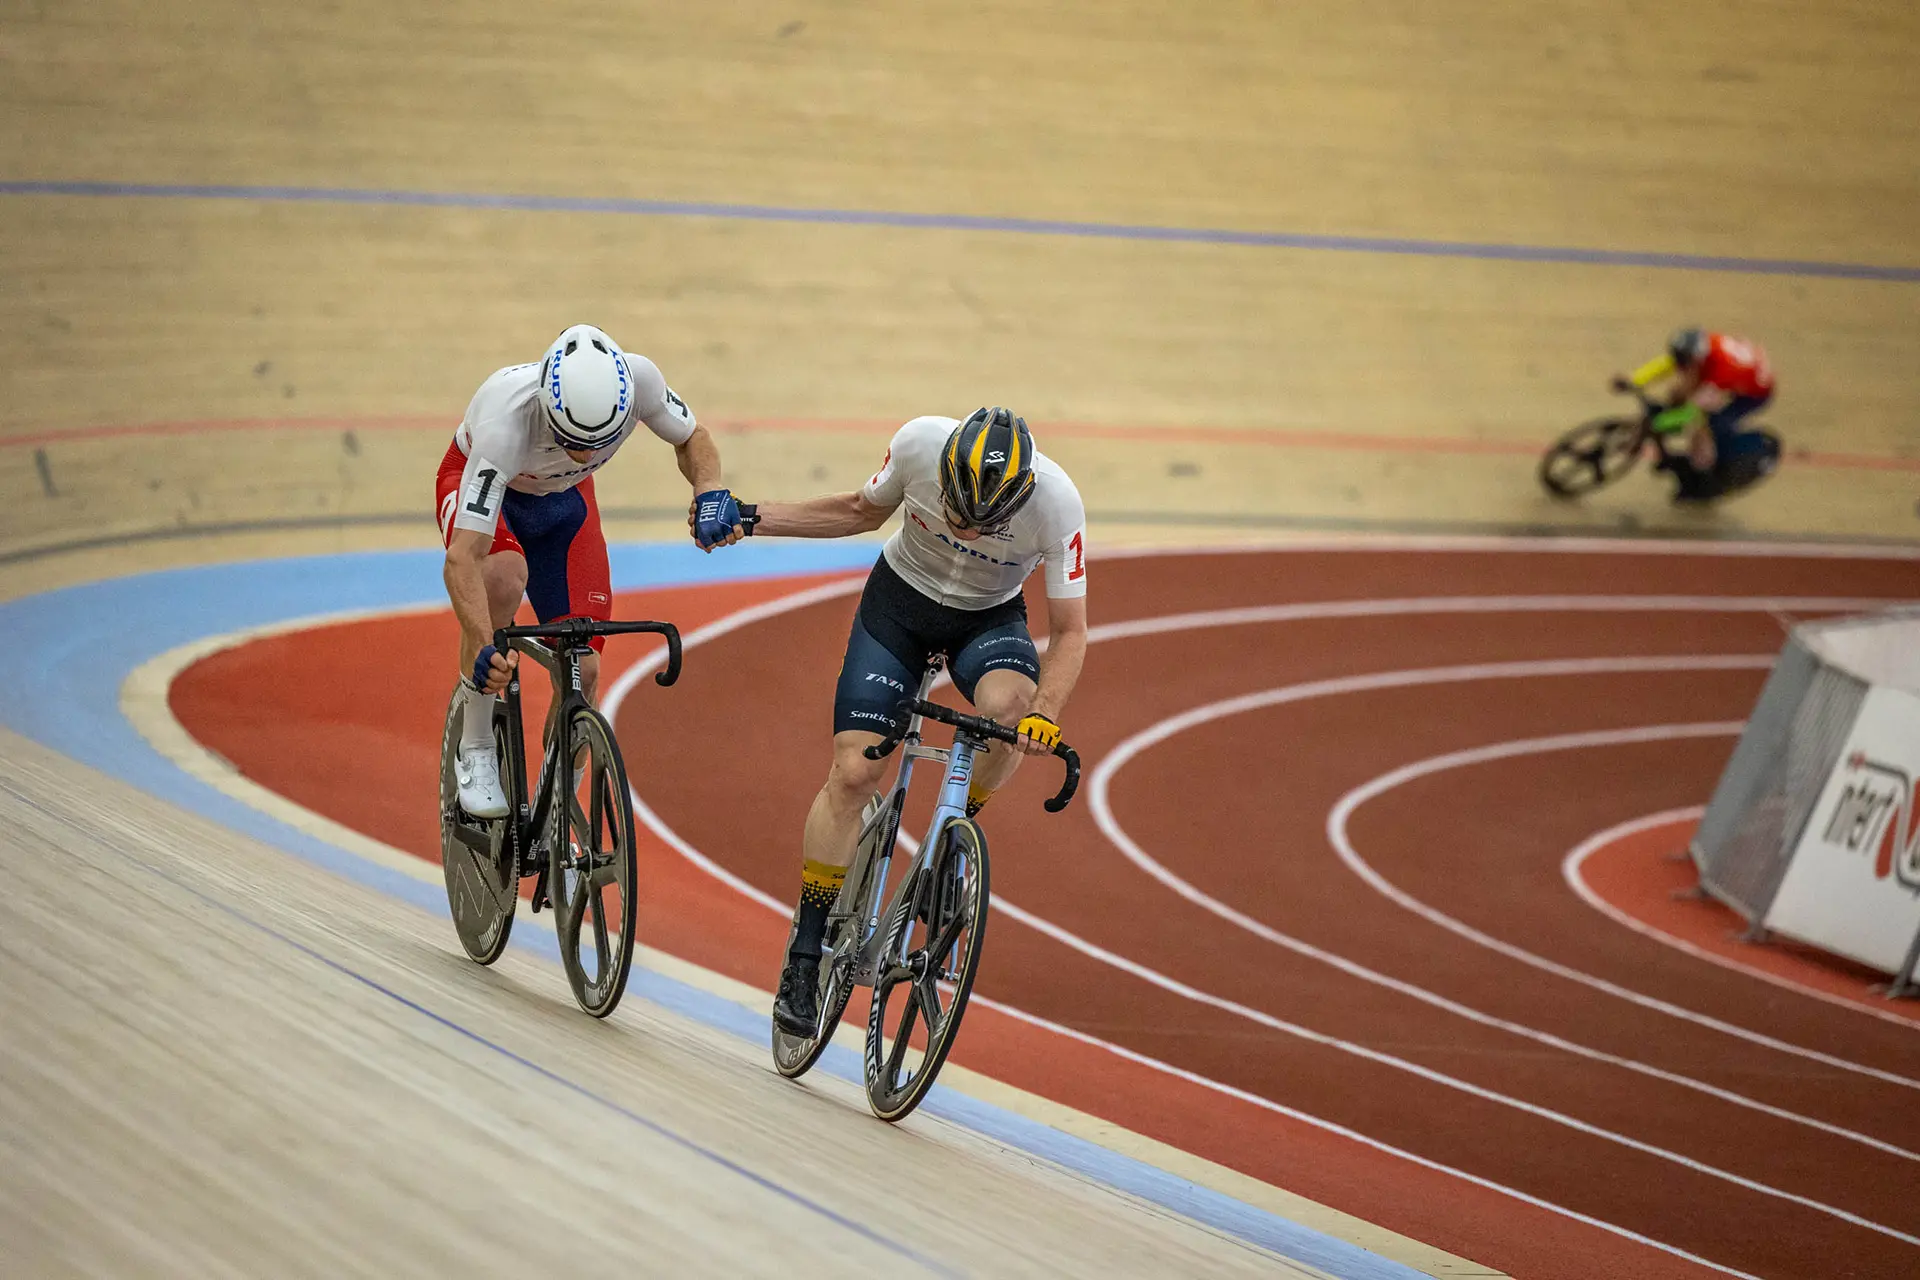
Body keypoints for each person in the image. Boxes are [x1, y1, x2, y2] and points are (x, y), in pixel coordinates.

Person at [717, 407, 1090, 1036]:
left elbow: (1071, 630)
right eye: (955, 510)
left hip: (986, 620)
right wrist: (751, 516)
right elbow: (858, 512)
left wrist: (1045, 714)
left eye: (981, 523)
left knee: (1011, 715)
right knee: (854, 773)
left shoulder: (1057, 504)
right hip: (898, 609)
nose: (964, 528)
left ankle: (953, 836)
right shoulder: (918, 444)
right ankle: (805, 953)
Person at [438, 324, 743, 818]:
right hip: (487, 489)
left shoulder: (641, 381)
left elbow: (693, 438)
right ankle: (475, 743)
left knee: (585, 669)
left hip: (565, 503)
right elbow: (462, 559)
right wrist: (481, 639)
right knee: (503, 579)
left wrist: (708, 489)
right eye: (570, 441)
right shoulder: (504, 423)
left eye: (596, 443)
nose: (583, 454)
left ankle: (559, 817)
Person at [1613, 327, 1779, 501]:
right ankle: (1670, 440)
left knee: (1708, 424)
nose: (1680, 366)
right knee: (1677, 392)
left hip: (1753, 395)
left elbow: (1692, 412)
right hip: (1737, 372)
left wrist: (1661, 422)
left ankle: (1704, 473)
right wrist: (1635, 379)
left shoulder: (1720, 372)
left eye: (1685, 363)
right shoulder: (1699, 349)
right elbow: (1667, 364)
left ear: (1697, 358)